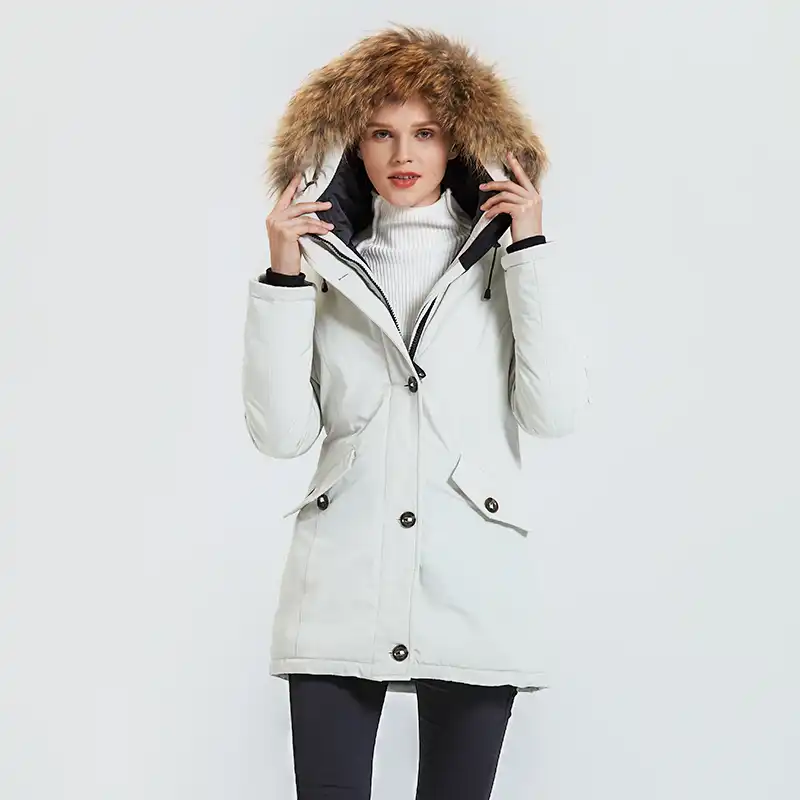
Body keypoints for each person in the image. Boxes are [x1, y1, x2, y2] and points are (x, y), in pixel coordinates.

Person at [242, 24, 588, 800]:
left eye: (426, 133)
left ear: (458, 141)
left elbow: (554, 412)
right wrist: (283, 275)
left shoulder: (503, 261)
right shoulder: (324, 263)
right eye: (381, 133)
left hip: (473, 582)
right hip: (337, 581)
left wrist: (528, 249)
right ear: (351, 146)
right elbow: (282, 434)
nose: (404, 153)